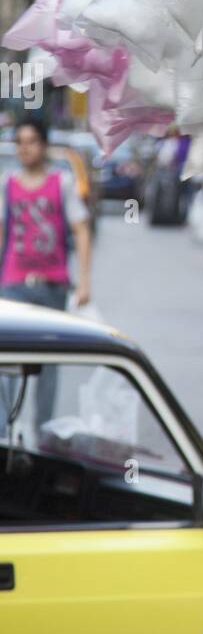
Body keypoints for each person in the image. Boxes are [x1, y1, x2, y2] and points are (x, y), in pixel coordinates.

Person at [0, 119, 92, 425]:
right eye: (20, 142)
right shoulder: (7, 183)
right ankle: (4, 435)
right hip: (12, 284)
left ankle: (44, 436)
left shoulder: (61, 181)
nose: (25, 148)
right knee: (7, 363)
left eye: (31, 141)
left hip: (53, 285)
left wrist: (84, 283)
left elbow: (81, 229)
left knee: (48, 366)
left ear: (44, 145)